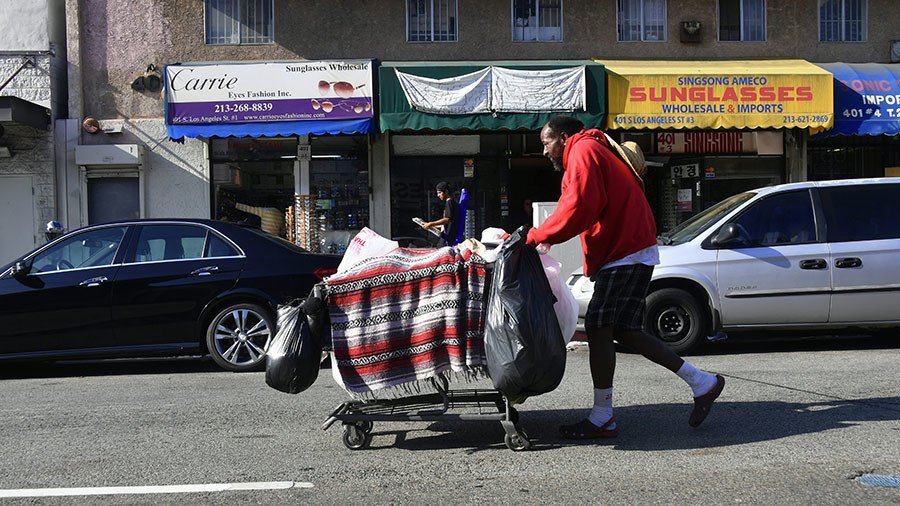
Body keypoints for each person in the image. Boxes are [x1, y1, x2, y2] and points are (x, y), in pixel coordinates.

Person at [526, 115, 725, 439]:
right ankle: (702, 382)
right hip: (631, 250)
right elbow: (576, 205)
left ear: (562, 137)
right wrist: (545, 234)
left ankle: (603, 416)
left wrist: (536, 236)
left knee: (599, 325)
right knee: (625, 330)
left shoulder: (584, 149)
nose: (545, 151)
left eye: (546, 143)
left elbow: (580, 206)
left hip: (625, 252)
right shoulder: (592, 149)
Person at [419, 181, 459, 247]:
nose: (438, 195)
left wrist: (430, 223)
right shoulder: (451, 202)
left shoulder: (450, 202)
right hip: (446, 237)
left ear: (446, 192)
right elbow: (447, 224)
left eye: (439, 192)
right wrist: (431, 226)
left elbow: (447, 219)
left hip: (448, 239)